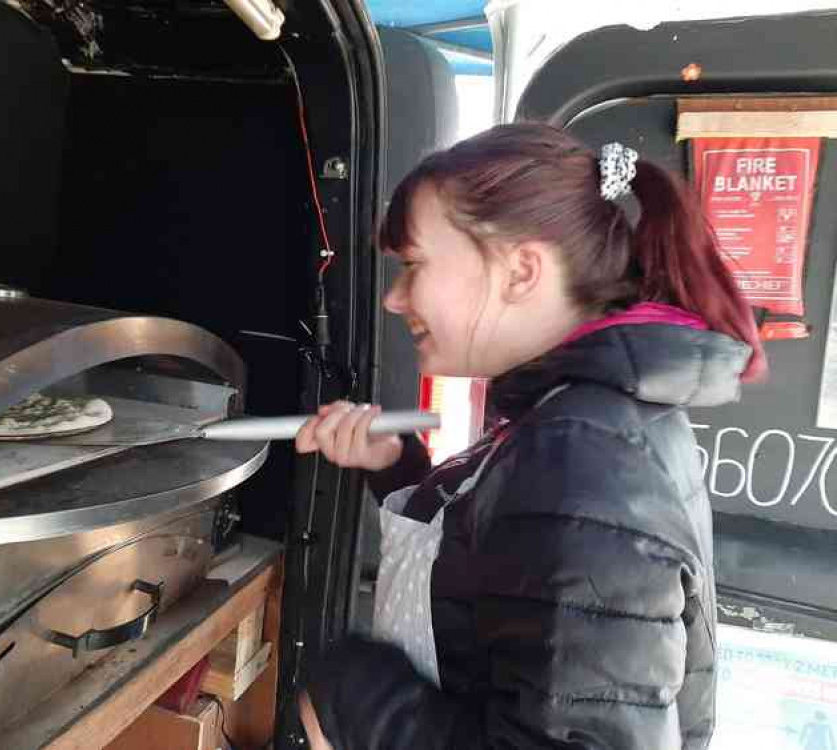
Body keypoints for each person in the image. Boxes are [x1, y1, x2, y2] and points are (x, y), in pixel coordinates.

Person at [294, 123, 765, 750]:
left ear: (520, 271)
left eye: (413, 266)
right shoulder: (577, 419)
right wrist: (396, 468)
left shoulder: (583, 454)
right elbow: (515, 573)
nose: (394, 299)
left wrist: (352, 689)